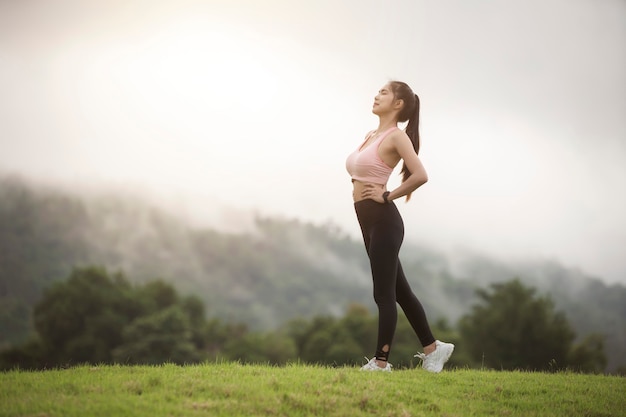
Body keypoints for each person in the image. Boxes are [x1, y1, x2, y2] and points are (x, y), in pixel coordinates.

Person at [345, 81, 454, 373]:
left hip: (384, 221)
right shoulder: (371, 135)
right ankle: (433, 348)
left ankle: (381, 362)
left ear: (398, 104)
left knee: (383, 294)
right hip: (367, 221)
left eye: (384, 92)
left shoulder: (396, 137)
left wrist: (388, 194)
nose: (376, 94)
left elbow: (420, 174)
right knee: (400, 292)